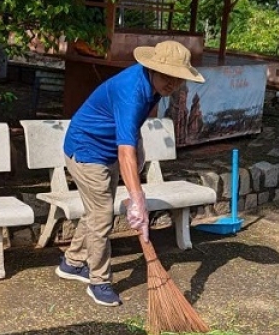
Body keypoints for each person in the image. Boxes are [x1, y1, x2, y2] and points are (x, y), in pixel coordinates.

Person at [54, 40, 205, 306]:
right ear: (152, 68)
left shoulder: (154, 87)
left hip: (107, 148)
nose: (171, 83)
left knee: (97, 210)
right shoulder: (131, 90)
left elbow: (130, 131)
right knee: (102, 216)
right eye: (166, 76)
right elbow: (124, 150)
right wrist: (137, 199)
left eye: (177, 79)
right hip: (87, 150)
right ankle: (99, 281)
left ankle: (72, 263)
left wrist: (139, 151)